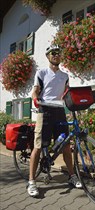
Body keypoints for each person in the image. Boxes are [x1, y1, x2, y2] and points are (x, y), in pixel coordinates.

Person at [27, 45, 82, 197]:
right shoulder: (42, 72)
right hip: (44, 110)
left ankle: (71, 176)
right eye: (53, 53)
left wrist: (74, 103)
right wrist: (35, 99)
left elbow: (66, 93)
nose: (56, 55)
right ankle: (31, 181)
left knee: (65, 146)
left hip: (59, 111)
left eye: (58, 53)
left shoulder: (64, 76)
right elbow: (35, 91)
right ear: (48, 56)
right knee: (38, 146)